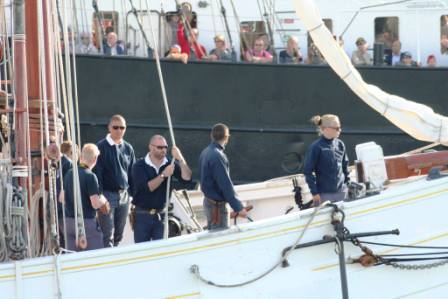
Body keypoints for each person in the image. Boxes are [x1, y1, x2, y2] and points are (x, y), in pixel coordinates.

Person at [131, 135, 192, 242]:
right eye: (160, 147)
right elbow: (147, 187)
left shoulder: (170, 163)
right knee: (141, 250)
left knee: (161, 249)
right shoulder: (139, 166)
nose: (163, 150)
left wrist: (180, 158)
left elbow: (187, 178)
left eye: (165, 147)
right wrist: (163, 175)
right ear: (151, 147)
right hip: (142, 216)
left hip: (162, 215)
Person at [94, 115, 136, 247]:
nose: (119, 130)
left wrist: (133, 196)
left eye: (122, 127)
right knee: (107, 233)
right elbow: (97, 174)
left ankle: (114, 254)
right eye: (115, 127)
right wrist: (100, 196)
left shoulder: (128, 148)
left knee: (120, 232)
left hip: (124, 195)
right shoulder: (101, 147)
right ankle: (106, 260)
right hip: (107, 195)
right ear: (109, 128)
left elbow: (132, 173)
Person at [61, 143, 110, 251]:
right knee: (94, 257)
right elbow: (95, 203)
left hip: (69, 223)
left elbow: (61, 198)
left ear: (81, 156)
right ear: (95, 158)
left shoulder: (69, 173)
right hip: (85, 224)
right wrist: (103, 200)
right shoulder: (90, 176)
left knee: (72, 258)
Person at [198, 123, 247, 230]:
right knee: (219, 239)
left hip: (208, 202)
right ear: (226, 137)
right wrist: (238, 207)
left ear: (211, 136)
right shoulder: (218, 156)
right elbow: (225, 185)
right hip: (217, 208)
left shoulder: (205, 152)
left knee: (212, 237)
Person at [303, 115, 350, 206]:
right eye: (337, 128)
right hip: (324, 195)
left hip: (342, 192)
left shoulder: (340, 144)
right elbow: (308, 171)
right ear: (326, 129)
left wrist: (347, 185)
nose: (340, 130)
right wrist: (315, 193)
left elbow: (345, 166)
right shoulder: (316, 147)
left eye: (340, 127)